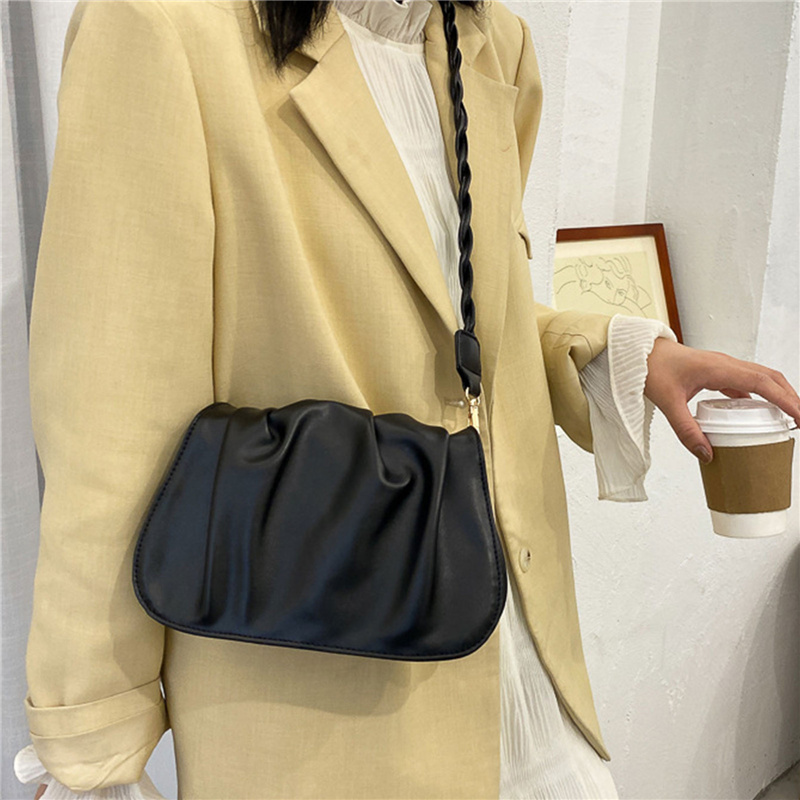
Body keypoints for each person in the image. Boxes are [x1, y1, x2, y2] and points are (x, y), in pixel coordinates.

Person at [15, 1, 800, 798]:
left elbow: (461, 317)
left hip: (526, 664)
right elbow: (112, 427)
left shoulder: (491, 43)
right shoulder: (162, 28)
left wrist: (620, 352)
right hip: (328, 695)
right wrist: (92, 752)